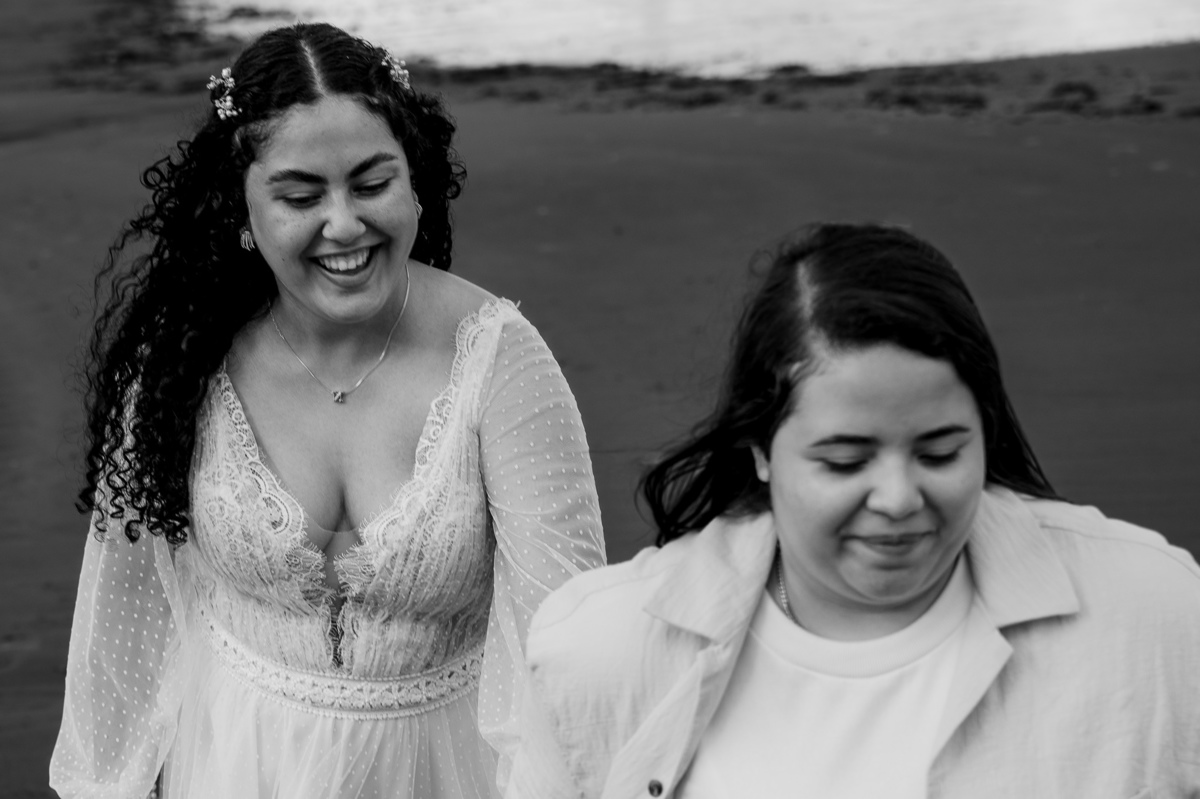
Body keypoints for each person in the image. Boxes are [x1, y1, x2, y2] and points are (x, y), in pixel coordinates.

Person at [50, 22, 605, 799]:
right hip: (239, 763)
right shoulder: (184, 362)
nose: (344, 224)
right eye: (301, 195)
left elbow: (566, 634)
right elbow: (127, 615)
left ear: (417, 183)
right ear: (241, 211)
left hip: (444, 773)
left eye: (372, 184)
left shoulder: (500, 360)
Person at [505, 223, 1200, 798]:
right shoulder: (599, 652)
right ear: (761, 449)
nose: (899, 498)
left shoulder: (1156, 616)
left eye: (939, 452)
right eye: (845, 460)